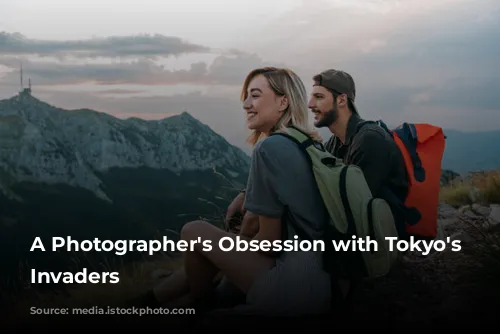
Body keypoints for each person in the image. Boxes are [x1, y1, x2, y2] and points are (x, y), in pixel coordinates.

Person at [131, 67, 333, 317]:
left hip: (291, 285)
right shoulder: (308, 143)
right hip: (321, 276)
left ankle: (191, 305)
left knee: (194, 231)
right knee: (221, 247)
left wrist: (235, 246)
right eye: (246, 97)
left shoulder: (268, 148)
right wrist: (245, 197)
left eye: (255, 95)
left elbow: (269, 244)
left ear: (283, 101)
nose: (246, 104)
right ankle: (154, 301)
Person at [308, 69, 409, 235]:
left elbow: (353, 207)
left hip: (378, 245)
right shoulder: (333, 144)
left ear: (341, 100)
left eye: (319, 97)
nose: (310, 104)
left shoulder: (370, 140)